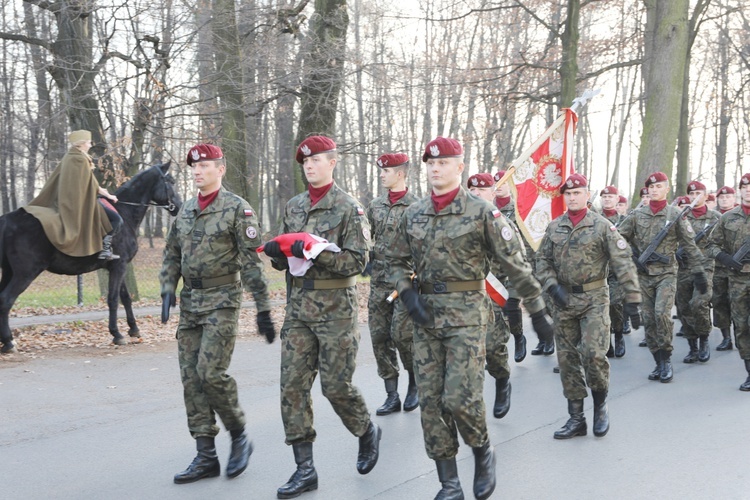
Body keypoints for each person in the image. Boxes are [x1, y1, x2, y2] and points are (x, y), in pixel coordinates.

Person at [386, 136, 555, 500]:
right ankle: (449, 482)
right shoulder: (413, 213)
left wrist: (538, 314)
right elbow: (394, 261)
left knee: (460, 398)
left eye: (443, 163)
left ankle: (482, 451)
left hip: (467, 315)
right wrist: (408, 291)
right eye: (430, 164)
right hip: (426, 317)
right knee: (431, 404)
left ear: (459, 167)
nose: (435, 169)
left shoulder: (482, 212)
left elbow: (516, 266)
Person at [260, 135, 380, 499]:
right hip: (299, 310)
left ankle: (365, 430)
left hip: (335, 311)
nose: (309, 166)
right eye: (305, 162)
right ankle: (305, 469)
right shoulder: (294, 205)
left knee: (335, 387)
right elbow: (287, 259)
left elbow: (358, 264)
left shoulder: (349, 208)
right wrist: (277, 253)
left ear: (332, 162)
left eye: (316, 160)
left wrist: (316, 252)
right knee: (292, 387)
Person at [159, 143, 277, 484]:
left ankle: (239, 435)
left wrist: (263, 309)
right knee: (191, 379)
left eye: (205, 166)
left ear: (220, 169)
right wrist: (168, 287)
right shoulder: (185, 211)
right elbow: (170, 254)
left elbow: (252, 265)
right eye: (194, 167)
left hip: (223, 300)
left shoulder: (237, 209)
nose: (198, 171)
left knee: (211, 373)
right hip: (191, 302)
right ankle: (205, 455)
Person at [536, 174, 641, 439]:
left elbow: (623, 262)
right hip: (563, 301)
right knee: (568, 360)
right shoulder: (554, 227)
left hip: (594, 299)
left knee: (594, 355)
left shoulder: (603, 226)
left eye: (577, 193)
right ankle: (576, 418)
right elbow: (542, 261)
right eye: (568, 194)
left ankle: (600, 407)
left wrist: (632, 298)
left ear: (587, 194)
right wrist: (551, 285)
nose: (572, 198)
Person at [618, 172, 708, 383]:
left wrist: (699, 272)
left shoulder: (676, 214)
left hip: (666, 274)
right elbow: (619, 237)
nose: (654, 190)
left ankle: (667, 359)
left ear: (666, 189)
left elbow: (689, 245)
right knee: (649, 319)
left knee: (661, 314)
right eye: (651, 187)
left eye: (659, 186)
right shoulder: (636, 215)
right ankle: (658, 361)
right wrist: (633, 255)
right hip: (644, 275)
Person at [365, 152, 419, 416]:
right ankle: (391, 394)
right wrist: (366, 257)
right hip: (379, 284)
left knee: (402, 335)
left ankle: (414, 383)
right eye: (381, 171)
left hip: (406, 282)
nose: (382, 174)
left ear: (400, 173)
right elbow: (368, 239)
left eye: (386, 171)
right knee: (379, 336)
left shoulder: (417, 207)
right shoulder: (375, 206)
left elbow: (425, 247)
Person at [23, 130, 122, 260]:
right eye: (88, 142)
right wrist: (109, 196)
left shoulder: (70, 156)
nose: (90, 145)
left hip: (74, 199)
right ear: (81, 144)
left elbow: (89, 183)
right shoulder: (79, 159)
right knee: (117, 220)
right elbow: (93, 185)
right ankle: (105, 250)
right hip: (79, 202)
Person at [469, 172, 515, 418]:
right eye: (472, 190)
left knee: (494, 347)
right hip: (465, 297)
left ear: (492, 193)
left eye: (482, 190)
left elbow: (516, 259)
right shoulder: (460, 219)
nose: (476, 194)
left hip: (492, 291)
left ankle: (502, 379)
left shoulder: (501, 222)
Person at [706, 173, 750, 391]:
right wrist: (725, 259)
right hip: (738, 278)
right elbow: (711, 244)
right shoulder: (728, 218)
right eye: (745, 186)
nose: (749, 189)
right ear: (740, 190)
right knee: (741, 326)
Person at [675, 181, 720, 364]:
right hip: (684, 267)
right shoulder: (681, 217)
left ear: (706, 194)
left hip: (705, 267)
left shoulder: (716, 217)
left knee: (699, 303)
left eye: (698, 194)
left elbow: (721, 242)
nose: (695, 197)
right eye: (692, 194)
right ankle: (692, 346)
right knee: (684, 306)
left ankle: (703, 339)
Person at [493, 170, 530, 361]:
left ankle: (518, 337)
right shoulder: (487, 209)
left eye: (503, 183)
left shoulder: (519, 210)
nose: (499, 187)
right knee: (494, 311)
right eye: (496, 184)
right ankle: (495, 350)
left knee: (511, 305)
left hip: (514, 267)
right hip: (493, 272)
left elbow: (526, 239)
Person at [599, 186, 627, 358]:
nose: (607, 199)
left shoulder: (625, 221)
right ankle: (606, 341)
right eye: (604, 197)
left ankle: (619, 335)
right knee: (601, 309)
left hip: (617, 272)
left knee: (615, 305)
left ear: (617, 199)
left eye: (610, 196)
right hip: (599, 272)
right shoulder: (594, 219)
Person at [713, 186, 737, 350]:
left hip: (740, 268)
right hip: (718, 267)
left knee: (739, 303)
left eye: (728, 196)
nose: (724, 199)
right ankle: (726, 338)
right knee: (720, 302)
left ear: (734, 198)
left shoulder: (741, 216)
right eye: (722, 197)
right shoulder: (713, 217)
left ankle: (742, 336)